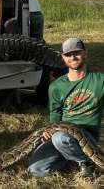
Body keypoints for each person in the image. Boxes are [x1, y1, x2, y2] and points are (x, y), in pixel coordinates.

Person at [28, 38, 104, 178]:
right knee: (36, 170)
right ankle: (72, 155)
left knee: (60, 138)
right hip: (61, 133)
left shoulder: (100, 80)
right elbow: (55, 114)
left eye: (77, 53)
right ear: (63, 58)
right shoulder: (56, 86)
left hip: (85, 134)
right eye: (68, 54)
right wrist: (48, 132)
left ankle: (86, 161)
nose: (73, 57)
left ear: (85, 54)